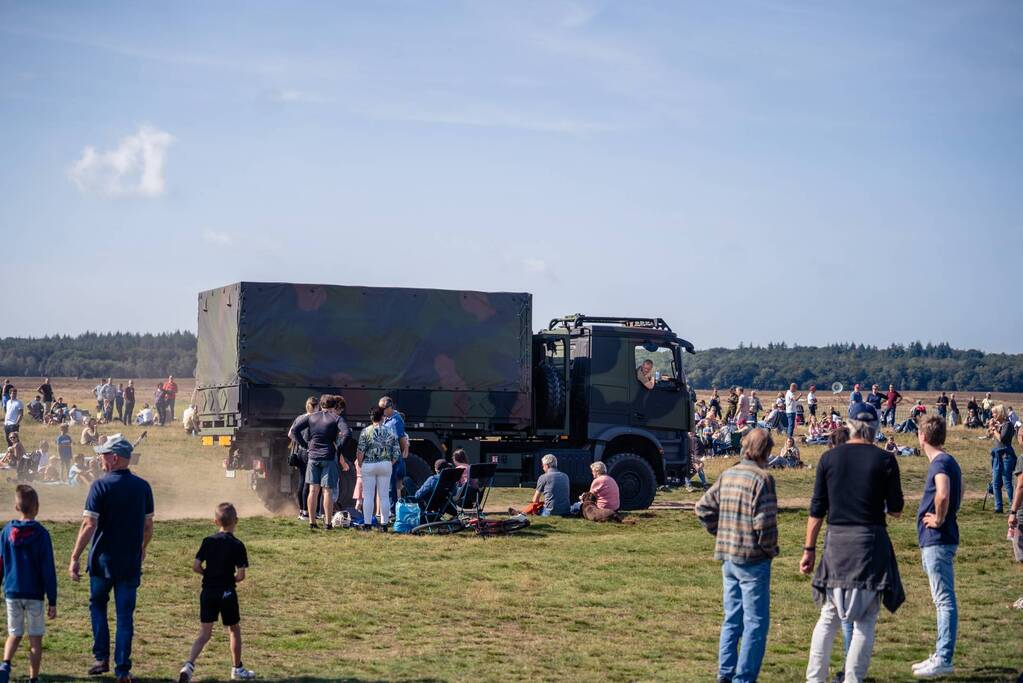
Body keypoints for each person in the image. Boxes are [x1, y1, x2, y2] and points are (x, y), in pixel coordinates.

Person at [801, 402, 904, 683]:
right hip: (869, 542)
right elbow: (896, 508)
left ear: (849, 424)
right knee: (865, 620)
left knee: (828, 616)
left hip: (836, 542)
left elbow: (816, 509)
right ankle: (852, 679)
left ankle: (814, 679)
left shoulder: (829, 458)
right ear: (875, 427)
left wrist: (809, 549)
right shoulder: (885, 460)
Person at [68, 435, 154, 683]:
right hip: (129, 562)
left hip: (102, 562)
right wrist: (142, 547)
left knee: (98, 607)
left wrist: (74, 556)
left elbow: (89, 524)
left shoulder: (100, 486)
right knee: (125, 615)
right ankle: (123, 669)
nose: (100, 458)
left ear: (114, 458)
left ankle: (101, 657)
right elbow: (148, 525)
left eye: (104, 454)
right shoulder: (143, 487)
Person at [696, 428, 778, 683]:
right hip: (753, 558)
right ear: (766, 451)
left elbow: (703, 508)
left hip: (728, 556)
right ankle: (744, 678)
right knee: (756, 623)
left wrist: (719, 532)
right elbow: (765, 523)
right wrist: (769, 550)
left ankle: (725, 672)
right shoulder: (762, 478)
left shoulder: (728, 473)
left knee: (732, 619)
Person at [178, 502, 255, 682]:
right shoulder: (237, 545)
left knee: (204, 634)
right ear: (236, 521)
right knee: (234, 630)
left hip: (208, 592)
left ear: (215, 522)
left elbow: (196, 566)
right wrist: (230, 579)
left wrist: (208, 574)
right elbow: (241, 575)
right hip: (227, 592)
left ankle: (188, 665)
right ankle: (237, 668)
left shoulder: (208, 541)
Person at [911, 416, 962, 679]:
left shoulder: (940, 462)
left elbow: (943, 492)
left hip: (938, 539)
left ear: (922, 437)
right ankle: (940, 654)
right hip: (941, 539)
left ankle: (943, 657)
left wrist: (939, 518)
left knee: (943, 600)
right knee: (942, 599)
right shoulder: (948, 460)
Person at [0, 485, 58, 683]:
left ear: (16, 507)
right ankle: (33, 678)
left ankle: (5, 664)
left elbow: (0, 562)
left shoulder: (6, 532)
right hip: (34, 593)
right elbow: (48, 569)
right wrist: (52, 599)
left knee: (14, 633)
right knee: (35, 638)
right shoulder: (42, 535)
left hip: (12, 591)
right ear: (37, 507)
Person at [288, 395, 350, 531]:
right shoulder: (337, 418)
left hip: (313, 457)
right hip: (328, 457)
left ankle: (312, 522)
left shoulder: (311, 417)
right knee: (327, 491)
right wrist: (338, 449)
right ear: (334, 406)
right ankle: (328, 523)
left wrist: (305, 445)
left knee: (313, 490)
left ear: (321, 405)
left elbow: (294, 430)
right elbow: (346, 433)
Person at [355, 407, 399, 531]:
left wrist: (360, 463)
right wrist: (390, 462)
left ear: (371, 418)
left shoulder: (366, 431)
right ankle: (384, 525)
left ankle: (367, 524)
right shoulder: (390, 431)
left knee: (368, 496)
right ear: (383, 417)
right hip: (385, 464)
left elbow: (360, 450)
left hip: (369, 464)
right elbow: (396, 452)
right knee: (384, 495)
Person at [288, 397, 318, 522]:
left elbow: (290, 434)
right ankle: (306, 511)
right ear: (315, 407)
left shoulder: (299, 418)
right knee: (308, 482)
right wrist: (306, 444)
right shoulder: (313, 419)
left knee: (301, 481)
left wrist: (299, 443)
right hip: (308, 452)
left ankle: (301, 511)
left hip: (299, 452)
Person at [379, 397, 410, 508]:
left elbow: (402, 439)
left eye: (383, 408)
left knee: (391, 486)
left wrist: (400, 455)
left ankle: (392, 510)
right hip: (387, 456)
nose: (381, 410)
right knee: (388, 485)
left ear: (390, 407)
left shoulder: (396, 420)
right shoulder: (388, 418)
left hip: (393, 458)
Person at [988, 405, 1017, 514]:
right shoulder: (999, 425)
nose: (993, 415)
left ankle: (1012, 506)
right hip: (997, 456)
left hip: (1006, 456)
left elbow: (1002, 438)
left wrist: (995, 429)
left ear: (1000, 413)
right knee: (996, 482)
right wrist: (991, 428)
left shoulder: (1008, 425)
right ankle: (998, 507)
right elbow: (990, 436)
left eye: (994, 413)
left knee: (1007, 481)